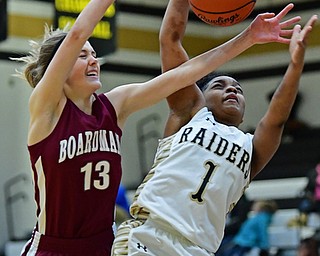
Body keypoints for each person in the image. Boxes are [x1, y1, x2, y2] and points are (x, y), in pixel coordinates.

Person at [12, 0, 305, 254]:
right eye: (82, 55)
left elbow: (186, 73)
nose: (94, 61)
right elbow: (77, 33)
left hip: (106, 246)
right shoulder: (47, 109)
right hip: (55, 247)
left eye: (94, 55)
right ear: (58, 69)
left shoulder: (114, 106)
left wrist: (249, 37)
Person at [111, 0, 318, 255]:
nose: (231, 89)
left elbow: (276, 118)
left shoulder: (250, 147)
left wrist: (296, 66)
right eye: (219, 85)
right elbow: (170, 40)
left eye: (238, 90)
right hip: (149, 235)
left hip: (200, 249)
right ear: (200, 95)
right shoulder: (189, 114)